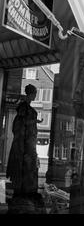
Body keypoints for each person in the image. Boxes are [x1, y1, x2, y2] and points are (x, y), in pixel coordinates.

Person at [6, 84, 44, 213]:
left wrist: (34, 122)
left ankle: (24, 196)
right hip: (25, 148)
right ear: (31, 94)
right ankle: (24, 196)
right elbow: (21, 128)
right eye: (34, 93)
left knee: (28, 172)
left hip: (27, 147)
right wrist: (33, 122)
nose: (35, 95)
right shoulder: (24, 109)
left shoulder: (26, 110)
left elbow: (23, 126)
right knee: (26, 172)